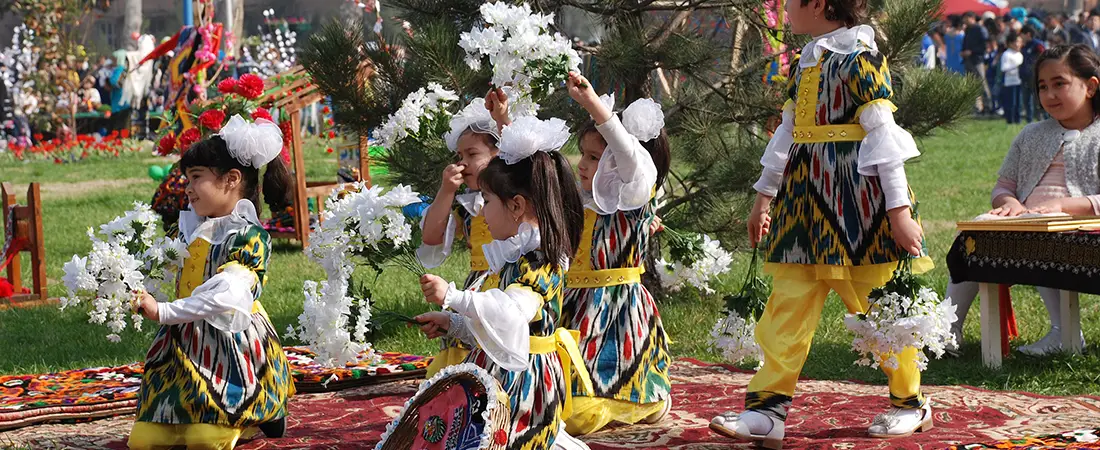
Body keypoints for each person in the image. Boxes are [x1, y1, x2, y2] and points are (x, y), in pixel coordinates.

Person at [708, 0, 934, 446]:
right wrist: (763, 197)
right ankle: (767, 411)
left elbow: (883, 134)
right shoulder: (805, 63)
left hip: (859, 206)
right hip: (803, 204)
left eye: (793, 1)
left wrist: (899, 213)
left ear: (819, 4)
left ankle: (910, 403)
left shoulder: (862, 60)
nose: (785, 8)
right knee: (786, 305)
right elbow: (786, 133)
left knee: (878, 307)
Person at [414, 115, 591, 450]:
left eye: (488, 201)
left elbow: (509, 314)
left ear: (516, 206)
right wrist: (453, 323)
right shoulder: (516, 256)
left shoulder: (539, 261)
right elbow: (501, 332)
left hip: (524, 384)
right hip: (502, 373)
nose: (482, 213)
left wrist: (453, 296)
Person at [128, 115, 296, 449]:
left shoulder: (248, 237)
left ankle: (260, 408)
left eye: (196, 177)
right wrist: (121, 282)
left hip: (229, 342)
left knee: (204, 440)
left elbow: (226, 296)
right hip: (181, 341)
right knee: (144, 441)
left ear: (232, 179)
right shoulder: (186, 228)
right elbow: (158, 269)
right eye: (187, 178)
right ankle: (184, 413)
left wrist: (164, 311)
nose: (187, 188)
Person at [946, 45, 1098, 357]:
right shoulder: (1031, 134)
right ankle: (947, 327)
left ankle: (1063, 332)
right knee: (976, 232)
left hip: (1081, 223)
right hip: (1027, 218)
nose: (1049, 94)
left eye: (1059, 83)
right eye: (1042, 87)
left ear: (1091, 86)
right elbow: (1004, 186)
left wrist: (1064, 206)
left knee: (1043, 233)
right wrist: (1009, 202)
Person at [551, 72, 673, 436]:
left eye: (594, 157)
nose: (582, 164)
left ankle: (647, 402)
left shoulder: (631, 198)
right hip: (573, 306)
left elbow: (629, 155)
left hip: (614, 311)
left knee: (582, 408)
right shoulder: (581, 200)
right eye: (584, 154)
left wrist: (594, 105)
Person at [416, 95, 503, 377]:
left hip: (506, 285)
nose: (463, 164)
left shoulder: (514, 199)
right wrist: (446, 191)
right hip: (476, 284)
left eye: (472, 155)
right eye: (459, 157)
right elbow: (431, 237)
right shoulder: (467, 204)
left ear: (499, 154)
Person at [963, 12, 993, 114]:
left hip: (977, 60)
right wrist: (963, 51)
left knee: (982, 83)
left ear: (972, 18)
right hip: (968, 60)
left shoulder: (980, 29)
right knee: (971, 84)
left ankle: (988, 106)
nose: (964, 20)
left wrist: (972, 51)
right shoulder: (968, 29)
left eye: (966, 18)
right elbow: (965, 43)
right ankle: (976, 107)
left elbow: (985, 46)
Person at [1020, 25, 1047, 123]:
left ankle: (1044, 118)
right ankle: (1029, 120)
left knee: (1038, 98)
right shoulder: (1024, 46)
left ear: (1028, 34)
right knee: (1026, 99)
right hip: (1025, 76)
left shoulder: (1037, 45)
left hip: (1035, 76)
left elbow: (1044, 57)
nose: (1021, 37)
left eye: (1022, 34)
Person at [1001, 32, 1024, 124]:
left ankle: (1018, 120)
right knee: (1011, 102)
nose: (1019, 44)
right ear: (1010, 43)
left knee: (1019, 103)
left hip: (1019, 81)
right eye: (1017, 42)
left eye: (1020, 42)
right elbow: (1004, 68)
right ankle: (1010, 120)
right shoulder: (1006, 54)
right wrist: (1016, 66)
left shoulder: (1020, 54)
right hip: (1010, 82)